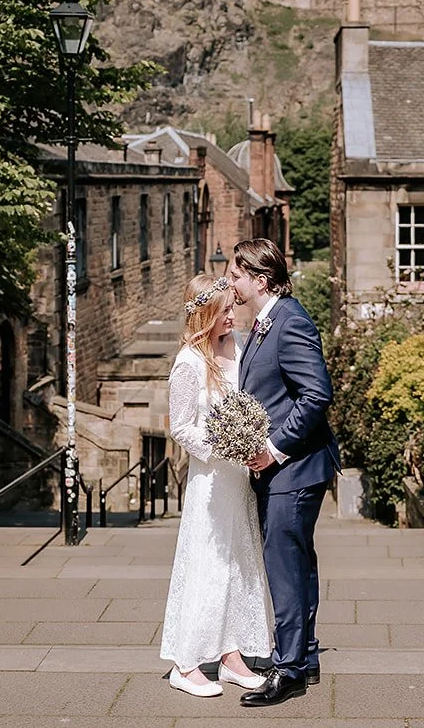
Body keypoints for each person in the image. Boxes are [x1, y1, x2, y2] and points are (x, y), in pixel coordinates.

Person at [229, 238, 341, 708]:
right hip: (287, 470)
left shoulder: (290, 320)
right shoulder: (264, 322)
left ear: (261, 280)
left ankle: (289, 669)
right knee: (297, 563)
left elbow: (317, 394)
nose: (230, 283)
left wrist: (273, 449)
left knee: (285, 568)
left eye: (236, 275)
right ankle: (305, 656)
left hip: (295, 469)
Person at [158, 273, 274, 698]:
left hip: (239, 479)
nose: (232, 315)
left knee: (239, 563)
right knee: (208, 564)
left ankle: (231, 656)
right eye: (224, 310)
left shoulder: (239, 346)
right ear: (204, 313)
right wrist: (223, 448)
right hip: (210, 480)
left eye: (231, 308)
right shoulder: (188, 363)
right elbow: (181, 427)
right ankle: (185, 664)